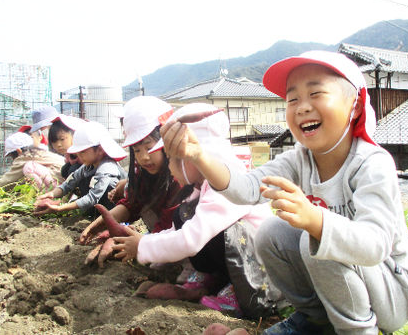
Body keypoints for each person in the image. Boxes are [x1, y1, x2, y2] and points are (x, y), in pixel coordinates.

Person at [160, 52, 408, 333]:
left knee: (316, 242)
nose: (302, 107)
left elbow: (376, 246)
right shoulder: (300, 159)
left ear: (356, 105)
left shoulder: (371, 163)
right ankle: (315, 320)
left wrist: (316, 220)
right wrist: (199, 155)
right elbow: (248, 189)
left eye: (316, 93)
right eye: (293, 99)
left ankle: (357, 330)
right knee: (271, 234)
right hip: (347, 285)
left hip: (395, 292)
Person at [112, 103, 282, 319]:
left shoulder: (226, 185)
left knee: (229, 231)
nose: (170, 167)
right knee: (182, 214)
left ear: (191, 156)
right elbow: (176, 231)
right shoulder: (198, 189)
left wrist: (143, 245)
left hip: (265, 273)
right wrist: (146, 251)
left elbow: (191, 239)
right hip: (236, 260)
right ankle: (212, 279)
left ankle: (243, 294)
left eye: (172, 158)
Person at [79, 96, 185, 268]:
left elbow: (169, 222)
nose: (143, 157)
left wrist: (136, 244)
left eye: (150, 147)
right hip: (161, 235)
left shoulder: (180, 178)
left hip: (180, 241)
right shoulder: (145, 173)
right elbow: (133, 204)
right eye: (136, 150)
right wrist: (105, 222)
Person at [35, 121, 127, 217]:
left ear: (99, 150)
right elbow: (68, 184)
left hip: (118, 207)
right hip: (97, 203)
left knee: (109, 185)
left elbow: (92, 197)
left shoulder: (107, 167)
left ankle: (110, 216)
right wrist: (51, 194)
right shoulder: (87, 166)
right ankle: (93, 213)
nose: (79, 156)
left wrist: (60, 208)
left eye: (82, 152)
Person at [0, 132, 64, 190]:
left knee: (29, 168)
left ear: (18, 151)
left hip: (58, 187)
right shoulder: (41, 152)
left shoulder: (24, 158)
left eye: (12, 156)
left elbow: (7, 181)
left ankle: (47, 196)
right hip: (65, 184)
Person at [48, 114, 86, 180]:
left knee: (73, 170)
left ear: (74, 134)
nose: (58, 145)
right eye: (54, 141)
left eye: (62, 139)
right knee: (65, 170)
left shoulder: (86, 151)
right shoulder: (68, 154)